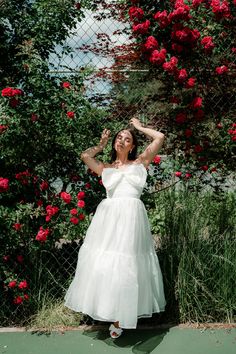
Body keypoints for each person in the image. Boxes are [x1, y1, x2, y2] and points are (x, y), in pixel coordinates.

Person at [64, 117, 166, 338]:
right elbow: (85, 155)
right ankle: (108, 308)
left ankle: (122, 318)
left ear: (132, 146)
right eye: (119, 137)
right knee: (106, 264)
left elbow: (159, 137)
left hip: (132, 219)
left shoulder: (140, 163)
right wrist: (100, 146)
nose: (121, 140)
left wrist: (138, 128)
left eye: (127, 138)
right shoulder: (106, 167)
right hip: (108, 221)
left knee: (129, 264)